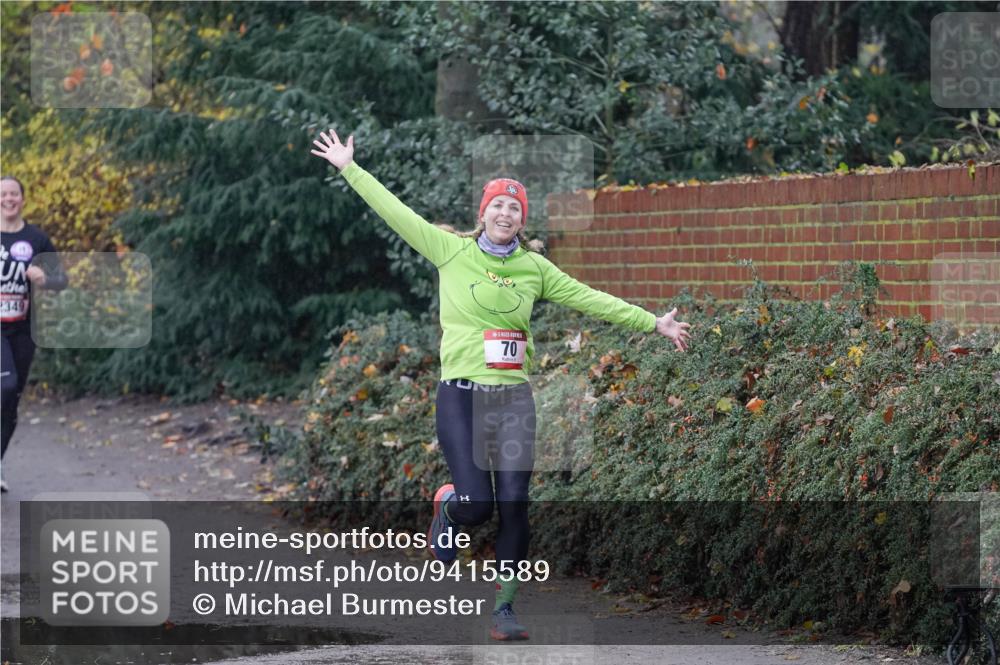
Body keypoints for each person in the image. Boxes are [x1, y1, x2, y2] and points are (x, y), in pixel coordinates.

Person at [311, 130, 692, 640]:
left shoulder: (535, 269)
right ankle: (449, 506)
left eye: (515, 208)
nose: (506, 214)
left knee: (515, 502)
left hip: (513, 398)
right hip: (461, 395)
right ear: (483, 212)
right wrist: (348, 168)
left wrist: (654, 323)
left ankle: (505, 609)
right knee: (478, 506)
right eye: (498, 206)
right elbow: (396, 214)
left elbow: (590, 298)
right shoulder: (451, 252)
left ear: (522, 219)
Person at [1, 176, 68, 492]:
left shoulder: (37, 239)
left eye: (14, 194)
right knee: (6, 384)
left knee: (11, 400)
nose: (8, 199)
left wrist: (45, 278)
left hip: (24, 330)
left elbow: (61, 282)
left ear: (23, 199)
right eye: (3, 194)